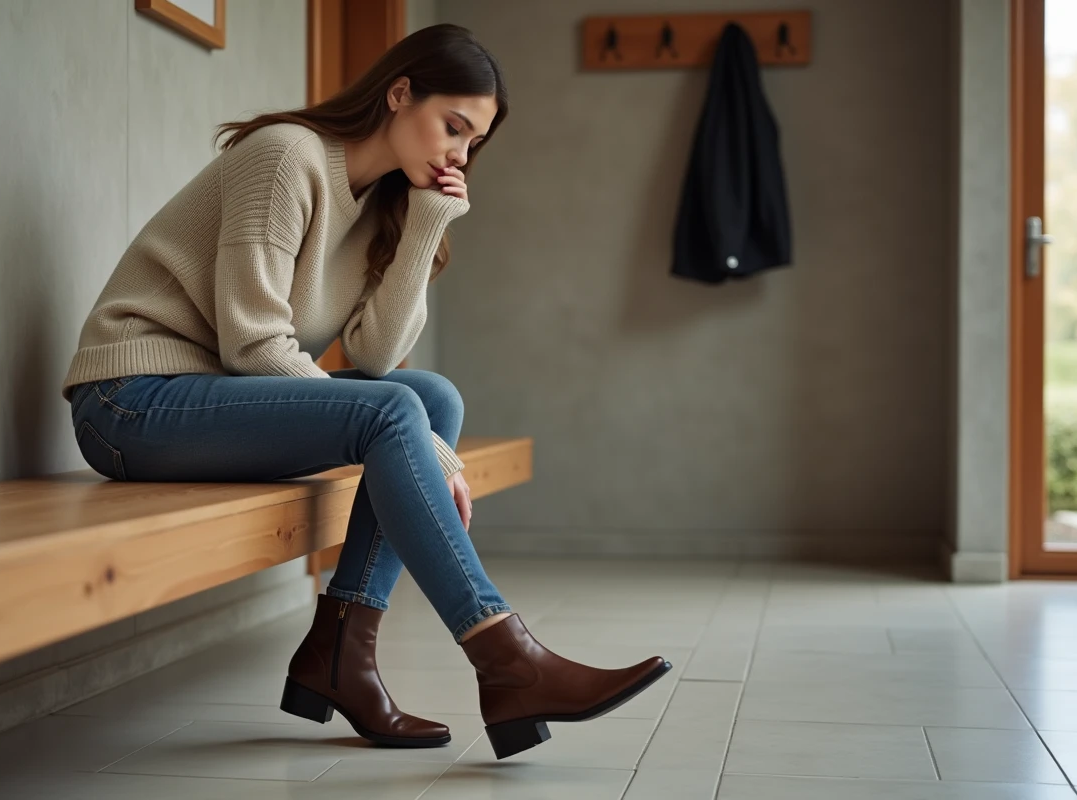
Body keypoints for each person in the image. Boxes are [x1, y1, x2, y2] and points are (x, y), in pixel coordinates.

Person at [62, 23, 670, 760]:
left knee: (430, 396)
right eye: (453, 127)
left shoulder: (384, 199)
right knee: (402, 414)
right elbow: (254, 345)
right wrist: (434, 453)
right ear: (400, 91)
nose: (459, 154)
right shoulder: (286, 158)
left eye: (473, 144)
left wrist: (426, 223)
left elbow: (378, 356)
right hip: (131, 401)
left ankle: (341, 655)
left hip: (212, 394)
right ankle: (507, 660)